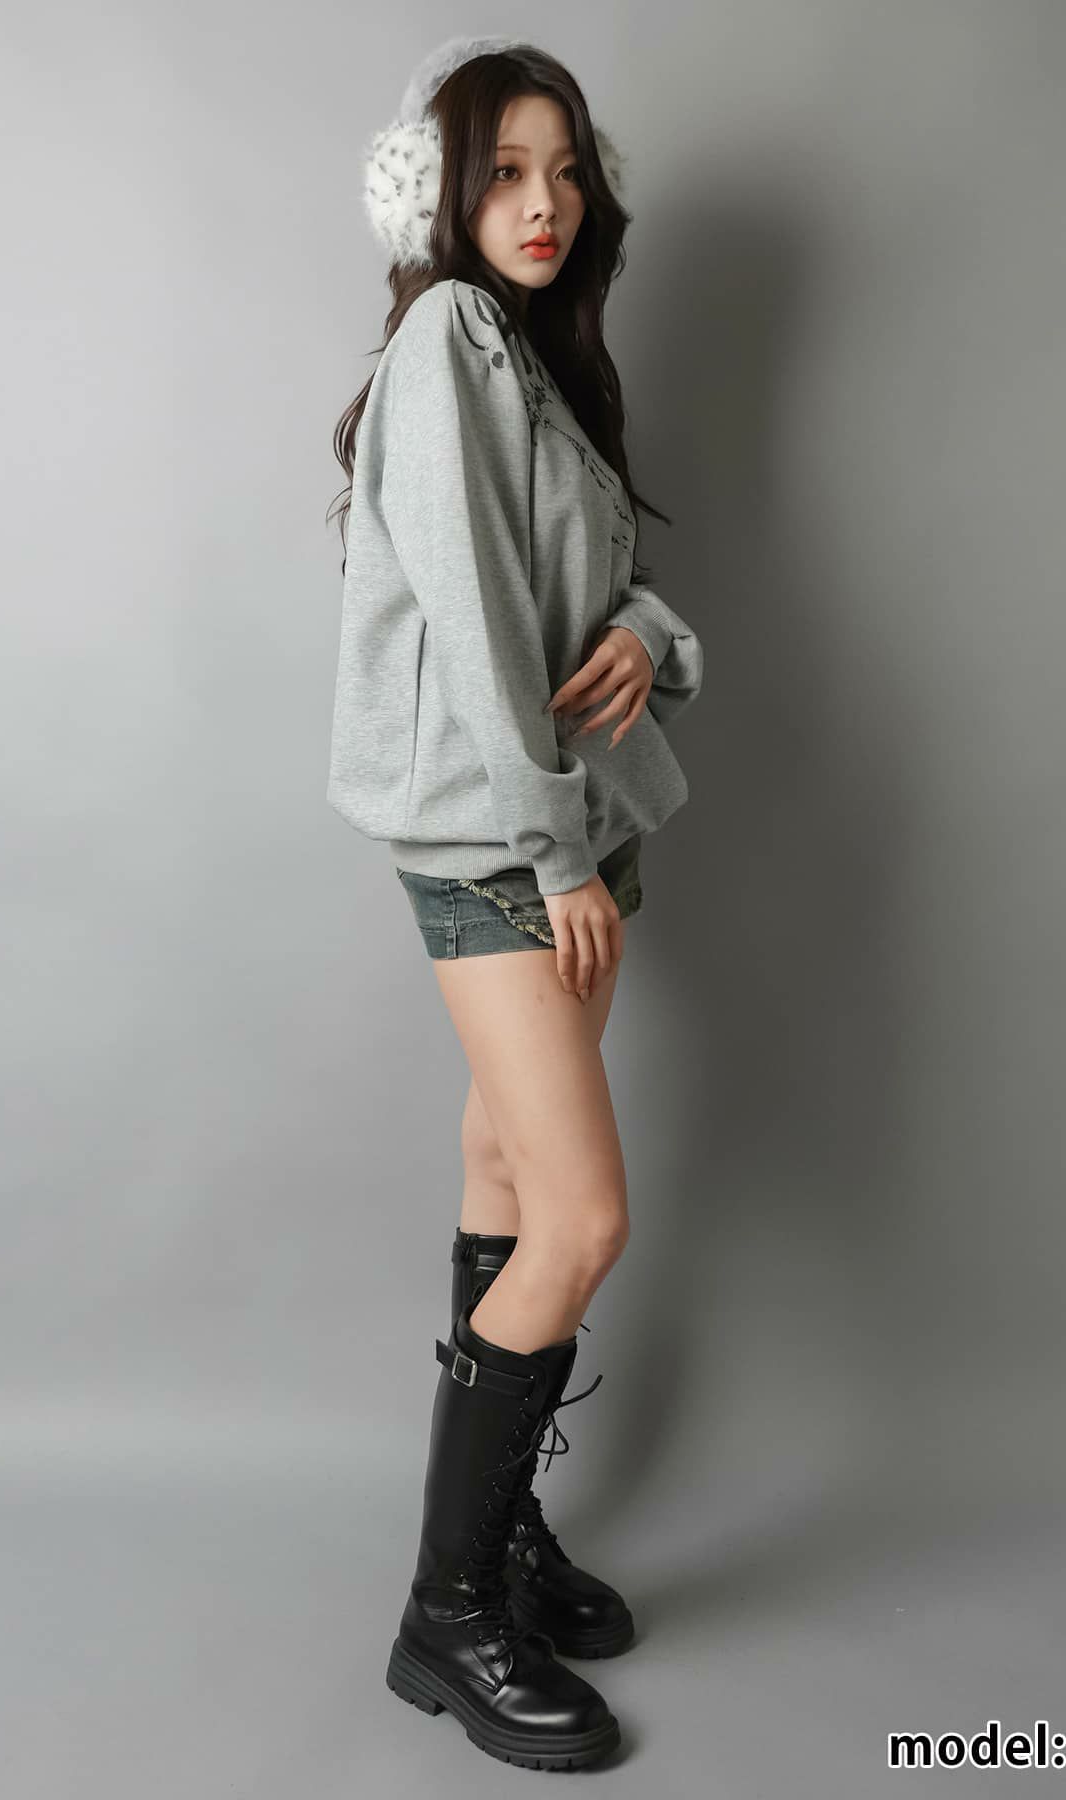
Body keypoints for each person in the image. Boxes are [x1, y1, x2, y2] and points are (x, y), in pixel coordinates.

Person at [325, 36, 703, 1772]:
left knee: (505, 1171)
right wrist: (553, 859)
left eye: (563, 170)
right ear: (438, 188)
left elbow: (598, 587)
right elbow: (479, 628)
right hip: (504, 847)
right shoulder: (447, 343)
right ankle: (447, 1611)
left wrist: (653, 635)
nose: (542, 202)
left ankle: (500, 1541)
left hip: (576, 827)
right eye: (503, 170)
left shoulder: (536, 355)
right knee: (584, 1219)